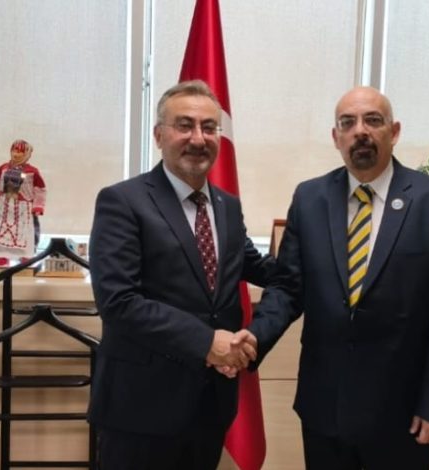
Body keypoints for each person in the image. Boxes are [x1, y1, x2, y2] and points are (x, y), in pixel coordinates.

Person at [239, 86, 429, 469]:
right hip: (324, 406)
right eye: (348, 123)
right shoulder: (310, 198)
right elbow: (288, 289)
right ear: (336, 137)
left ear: (394, 132)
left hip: (403, 412)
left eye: (372, 120)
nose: (360, 130)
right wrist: (253, 339)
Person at [88, 80, 274, 470]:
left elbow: (257, 268)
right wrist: (206, 341)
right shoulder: (122, 201)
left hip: (210, 404)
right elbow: (119, 302)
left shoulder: (226, 205)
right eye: (184, 125)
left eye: (209, 127)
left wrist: (324, 251)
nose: (198, 138)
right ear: (159, 135)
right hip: (140, 409)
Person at [0, 139, 46, 264]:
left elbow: (40, 189)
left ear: (27, 154)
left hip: (23, 207)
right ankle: (2, 255)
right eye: (14, 150)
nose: (16, 154)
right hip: (4, 206)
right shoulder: (3, 168)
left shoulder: (33, 171)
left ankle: (25, 255)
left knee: (24, 231)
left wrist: (38, 206)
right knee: (2, 230)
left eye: (21, 152)